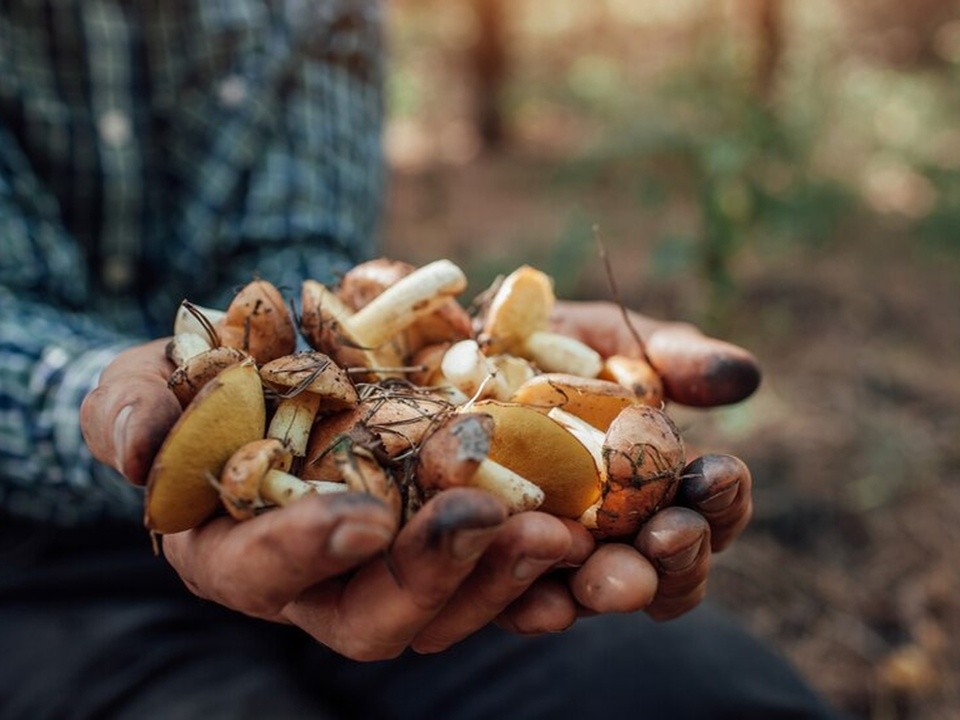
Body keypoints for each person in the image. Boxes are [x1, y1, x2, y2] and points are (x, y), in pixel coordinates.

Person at [0, 2, 843, 718]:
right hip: (33, 564)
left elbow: (297, 276)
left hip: (380, 493)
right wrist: (103, 407)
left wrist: (425, 379)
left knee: (719, 698)